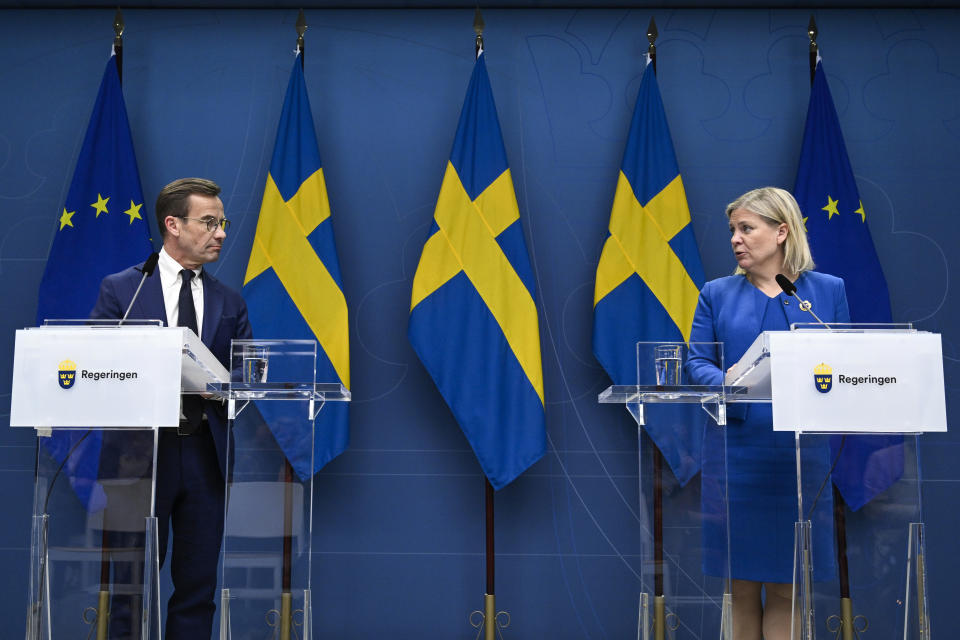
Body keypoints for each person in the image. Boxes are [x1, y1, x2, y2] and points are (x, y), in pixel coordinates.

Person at [686, 187, 850, 640]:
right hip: (735, 453)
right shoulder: (716, 293)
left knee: (786, 587)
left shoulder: (824, 291)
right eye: (733, 230)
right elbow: (695, 362)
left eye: (746, 228)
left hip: (797, 458)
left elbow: (845, 362)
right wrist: (728, 383)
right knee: (740, 586)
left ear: (781, 232)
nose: (736, 239)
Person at [91, 177, 252, 639]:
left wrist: (224, 386)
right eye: (209, 222)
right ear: (173, 225)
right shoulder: (123, 291)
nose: (220, 232)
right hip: (137, 459)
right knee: (129, 587)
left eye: (222, 223)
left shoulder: (229, 300)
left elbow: (247, 376)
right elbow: (95, 369)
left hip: (204, 456)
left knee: (197, 587)